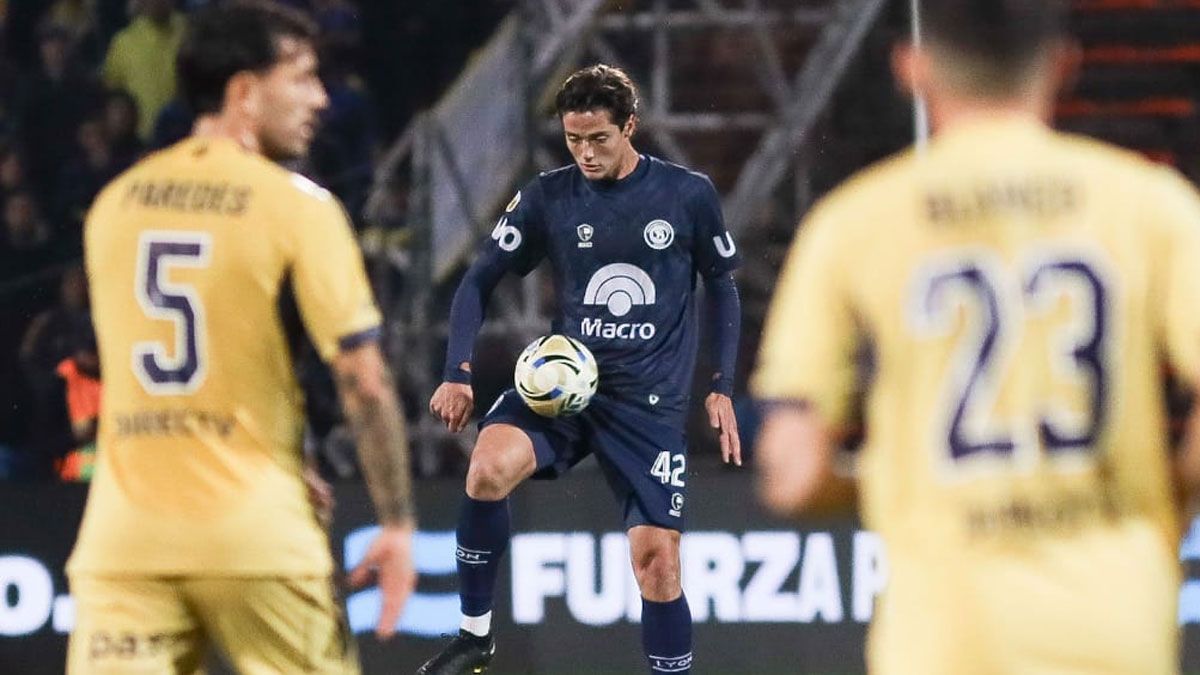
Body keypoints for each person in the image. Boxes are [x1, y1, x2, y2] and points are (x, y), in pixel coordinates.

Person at [752, 1, 1200, 673]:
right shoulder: (1151, 203)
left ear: (912, 69)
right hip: (1114, 620)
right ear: (1061, 65)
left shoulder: (855, 222)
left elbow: (793, 472)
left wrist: (884, 479)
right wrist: (1171, 490)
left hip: (947, 632)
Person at [67, 3, 417, 673]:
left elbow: (155, 365)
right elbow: (364, 380)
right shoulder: (296, 204)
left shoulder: (114, 204)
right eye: (304, 77)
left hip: (125, 543)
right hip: (254, 531)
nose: (321, 98)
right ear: (244, 91)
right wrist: (397, 522)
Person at [418, 63, 743, 675]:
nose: (586, 153)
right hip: (562, 386)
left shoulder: (687, 194)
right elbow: (479, 278)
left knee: (657, 564)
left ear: (631, 128)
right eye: (574, 139)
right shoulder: (549, 196)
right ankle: (474, 636)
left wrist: (721, 387)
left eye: (599, 138)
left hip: (648, 402)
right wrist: (456, 370)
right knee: (486, 470)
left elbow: (723, 288)